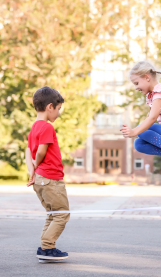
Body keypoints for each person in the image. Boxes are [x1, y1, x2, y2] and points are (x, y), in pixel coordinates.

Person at [26, 86, 70, 263]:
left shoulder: (34, 127)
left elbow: (28, 151)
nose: (58, 113)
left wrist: (32, 172)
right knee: (62, 214)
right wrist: (37, 165)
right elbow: (41, 151)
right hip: (50, 178)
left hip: (41, 178)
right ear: (50, 107)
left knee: (52, 214)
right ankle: (46, 247)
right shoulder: (46, 127)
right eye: (58, 109)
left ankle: (45, 247)